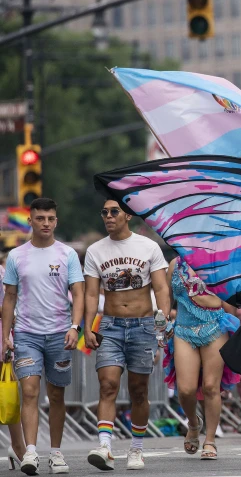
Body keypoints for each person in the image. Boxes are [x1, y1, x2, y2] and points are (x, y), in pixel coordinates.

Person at [82, 199, 171, 471]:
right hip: (110, 325)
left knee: (138, 390)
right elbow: (90, 293)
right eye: (104, 212)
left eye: (114, 212)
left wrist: (163, 317)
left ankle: (136, 448)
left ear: (128, 215)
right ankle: (105, 447)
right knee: (108, 385)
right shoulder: (95, 250)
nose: (108, 216)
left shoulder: (149, 247)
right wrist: (88, 326)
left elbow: (161, 289)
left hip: (143, 325)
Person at [1, 198, 85, 475]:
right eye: (40, 218)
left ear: (56, 221)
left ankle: (57, 454)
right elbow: (9, 297)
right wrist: (6, 337)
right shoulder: (16, 256)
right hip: (27, 335)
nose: (45, 223)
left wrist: (75, 327)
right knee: (29, 392)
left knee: (57, 395)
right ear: (31, 221)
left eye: (50, 218)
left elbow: (79, 292)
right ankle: (31, 452)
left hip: (60, 334)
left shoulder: (67, 254)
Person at [162, 257, 241, 460]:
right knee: (186, 389)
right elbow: (165, 296)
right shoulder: (175, 265)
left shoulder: (219, 260)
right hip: (183, 330)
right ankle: (194, 424)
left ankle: (210, 440)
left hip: (215, 326)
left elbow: (230, 298)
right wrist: (163, 323)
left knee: (210, 387)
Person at [0, 253, 25, 471]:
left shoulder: (3, 272)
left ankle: (18, 447)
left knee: (8, 395)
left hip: (1, 337)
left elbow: (9, 304)